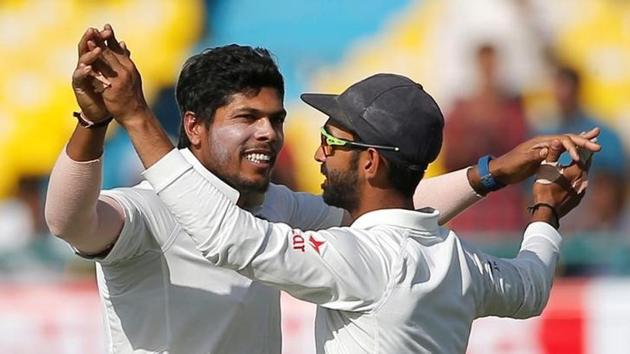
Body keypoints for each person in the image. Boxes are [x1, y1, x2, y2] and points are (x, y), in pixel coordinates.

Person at [45, 25, 599, 353]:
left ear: (370, 162)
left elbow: (235, 236)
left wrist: (136, 116)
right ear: (193, 126)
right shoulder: (152, 207)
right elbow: (68, 223)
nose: (273, 134)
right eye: (248, 117)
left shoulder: (300, 224)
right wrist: (509, 187)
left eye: (276, 117)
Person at [442, 43, 529, 232]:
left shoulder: (513, 108)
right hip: (470, 206)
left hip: (505, 209)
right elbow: (448, 160)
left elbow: (522, 153)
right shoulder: (462, 111)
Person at [535, 65, 627, 233]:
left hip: (599, 228)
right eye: (557, 87)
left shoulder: (604, 134)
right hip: (555, 223)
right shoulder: (544, 135)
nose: (560, 95)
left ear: (577, 90)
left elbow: (615, 188)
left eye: (565, 87)